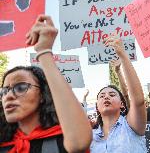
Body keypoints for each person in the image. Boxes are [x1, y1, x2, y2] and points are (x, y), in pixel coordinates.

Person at [0, 15, 92, 152]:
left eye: (20, 87)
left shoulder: (62, 141)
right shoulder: (4, 144)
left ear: (43, 94)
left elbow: (79, 143)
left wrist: (44, 51)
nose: (8, 96)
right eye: (4, 91)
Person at [90, 35, 147, 153]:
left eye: (112, 94)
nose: (106, 96)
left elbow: (138, 101)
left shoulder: (131, 126)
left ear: (122, 104)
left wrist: (122, 54)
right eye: (102, 96)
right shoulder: (89, 137)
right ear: (97, 107)